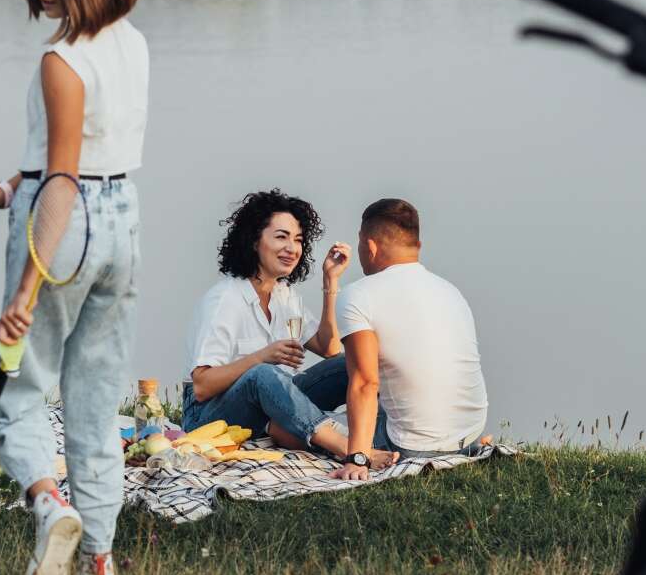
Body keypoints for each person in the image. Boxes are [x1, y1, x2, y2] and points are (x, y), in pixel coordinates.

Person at [0, 0, 146, 575]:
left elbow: (61, 180)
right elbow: (74, 160)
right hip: (122, 221)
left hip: (65, 224)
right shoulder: (132, 45)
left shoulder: (61, 62)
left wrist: (28, 289)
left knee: (17, 399)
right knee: (95, 405)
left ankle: (48, 505)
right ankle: (102, 570)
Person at [182, 190, 397, 468]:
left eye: (298, 240)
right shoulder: (225, 300)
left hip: (276, 397)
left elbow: (329, 347)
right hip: (208, 414)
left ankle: (391, 434)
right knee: (262, 374)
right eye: (281, 237)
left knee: (353, 362)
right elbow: (201, 386)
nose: (293, 248)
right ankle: (349, 449)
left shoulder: (285, 294)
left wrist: (330, 281)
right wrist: (262, 356)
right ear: (254, 240)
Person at [330, 199, 488, 482]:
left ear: (370, 246)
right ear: (418, 246)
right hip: (468, 436)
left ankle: (285, 422)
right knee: (343, 365)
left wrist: (357, 458)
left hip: (412, 447)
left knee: (275, 390)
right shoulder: (450, 291)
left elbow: (365, 383)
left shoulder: (358, 295)